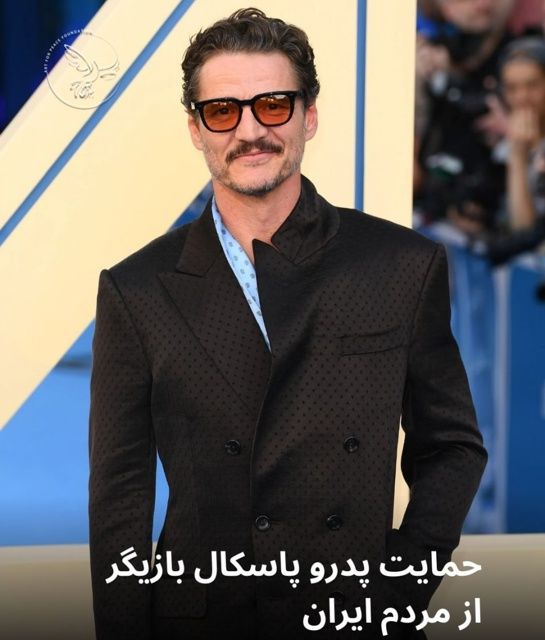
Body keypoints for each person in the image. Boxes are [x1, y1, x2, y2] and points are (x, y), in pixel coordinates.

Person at [88, 8, 487, 640]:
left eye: (273, 105)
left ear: (309, 115)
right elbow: (120, 494)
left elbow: (452, 448)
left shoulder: (401, 265)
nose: (250, 131)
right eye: (223, 111)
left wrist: (398, 594)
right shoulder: (136, 290)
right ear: (196, 129)